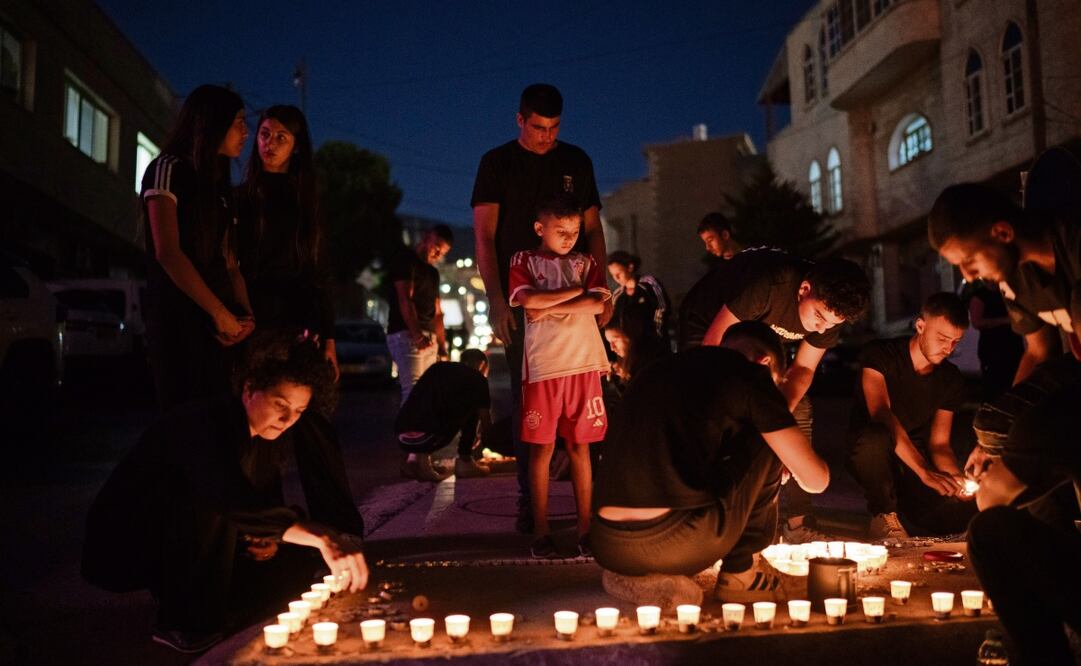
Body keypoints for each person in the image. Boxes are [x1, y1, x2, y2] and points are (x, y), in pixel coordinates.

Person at [82, 333, 367, 654]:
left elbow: (259, 508)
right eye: (280, 405)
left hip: (192, 540)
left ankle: (212, 601)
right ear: (249, 389)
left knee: (297, 565)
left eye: (299, 411)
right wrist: (324, 536)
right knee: (214, 507)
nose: (288, 420)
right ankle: (181, 621)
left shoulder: (263, 440)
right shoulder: (202, 425)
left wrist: (263, 541)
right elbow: (228, 497)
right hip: (125, 545)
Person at [592, 322, 829, 610]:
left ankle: (636, 578)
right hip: (677, 543)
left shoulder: (655, 371)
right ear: (765, 363)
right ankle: (741, 574)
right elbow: (816, 480)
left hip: (607, 546)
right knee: (769, 438)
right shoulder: (751, 374)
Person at [472, 83, 608, 533]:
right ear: (519, 120)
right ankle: (531, 503)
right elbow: (485, 236)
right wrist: (496, 299)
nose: (545, 137)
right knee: (527, 402)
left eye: (553, 128)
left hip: (577, 308)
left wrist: (600, 284)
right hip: (522, 298)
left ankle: (581, 508)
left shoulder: (576, 161)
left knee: (577, 412)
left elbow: (593, 229)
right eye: (537, 127)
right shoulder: (497, 163)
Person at [678, 247, 870, 542]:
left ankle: (797, 522)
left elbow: (803, 371)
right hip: (708, 324)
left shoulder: (828, 314)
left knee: (800, 409)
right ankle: (699, 513)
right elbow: (713, 346)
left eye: (831, 324)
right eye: (819, 316)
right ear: (804, 289)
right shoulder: (769, 283)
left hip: (761, 340)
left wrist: (776, 419)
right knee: (709, 409)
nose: (821, 327)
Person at [508, 193, 610, 558]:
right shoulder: (524, 260)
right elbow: (527, 301)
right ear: (540, 228)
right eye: (560, 230)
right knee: (542, 449)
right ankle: (541, 532)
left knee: (582, 447)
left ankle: (586, 529)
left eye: (574, 231)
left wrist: (549, 302)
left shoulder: (586, 262)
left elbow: (598, 303)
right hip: (544, 367)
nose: (568, 237)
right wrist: (572, 293)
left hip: (584, 364)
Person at [140, 84, 255, 409]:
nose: (246, 131)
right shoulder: (168, 169)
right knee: (183, 420)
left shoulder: (220, 187)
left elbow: (230, 263)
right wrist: (219, 313)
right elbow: (168, 252)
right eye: (238, 122)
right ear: (212, 123)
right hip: (179, 320)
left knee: (220, 419)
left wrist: (245, 317)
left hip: (221, 327)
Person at [965, 354, 1081, 665]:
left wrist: (1002, 466)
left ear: (1073, 342)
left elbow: (988, 501)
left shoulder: (1063, 409)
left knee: (987, 532)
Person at [846, 293, 977, 542]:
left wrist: (956, 482)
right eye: (942, 338)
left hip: (913, 460)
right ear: (920, 325)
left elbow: (939, 444)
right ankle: (883, 515)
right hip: (871, 451)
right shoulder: (881, 355)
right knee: (876, 437)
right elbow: (881, 414)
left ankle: (906, 511)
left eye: (956, 342)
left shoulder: (951, 378)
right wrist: (924, 471)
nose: (948, 349)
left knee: (959, 516)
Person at [928, 174, 1081, 385]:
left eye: (969, 260)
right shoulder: (1013, 283)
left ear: (1003, 233)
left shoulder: (1073, 239)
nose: (968, 276)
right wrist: (1009, 410)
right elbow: (1038, 350)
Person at [237, 104, 338, 378]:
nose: (270, 143)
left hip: (296, 317)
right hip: (249, 316)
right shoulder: (241, 198)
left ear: (296, 146)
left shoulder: (308, 202)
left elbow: (321, 271)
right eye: (265, 134)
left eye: (281, 137)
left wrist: (329, 338)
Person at [396, 349, 493, 480]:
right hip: (426, 438)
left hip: (402, 435)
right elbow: (486, 421)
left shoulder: (438, 367)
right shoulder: (478, 378)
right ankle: (465, 461)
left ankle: (416, 461)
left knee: (434, 406)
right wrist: (485, 439)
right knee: (474, 405)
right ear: (482, 365)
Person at [385, 225, 452, 402]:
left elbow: (438, 313)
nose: (438, 254)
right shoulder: (406, 261)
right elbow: (405, 299)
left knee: (426, 392)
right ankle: (408, 429)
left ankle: (420, 429)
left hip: (429, 338)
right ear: (426, 237)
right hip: (406, 334)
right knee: (413, 391)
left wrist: (443, 348)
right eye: (437, 246)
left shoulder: (433, 273)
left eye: (443, 253)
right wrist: (417, 335)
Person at [964, 282, 1024, 400]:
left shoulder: (1007, 293)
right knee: (994, 387)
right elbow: (977, 322)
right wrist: (1005, 321)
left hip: (1013, 346)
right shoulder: (980, 296)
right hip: (993, 349)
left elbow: (1020, 315)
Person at [606, 250, 671, 346]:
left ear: (630, 267)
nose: (616, 278)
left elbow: (662, 308)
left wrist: (656, 335)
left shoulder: (649, 284)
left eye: (619, 273)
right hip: (631, 348)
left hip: (654, 345)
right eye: (613, 275)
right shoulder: (617, 295)